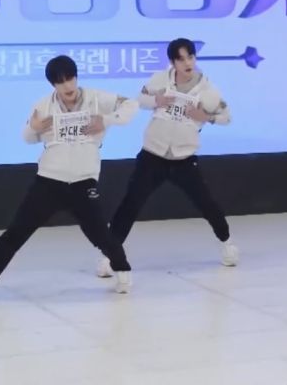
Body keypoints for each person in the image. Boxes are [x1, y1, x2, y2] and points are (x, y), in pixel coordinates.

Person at [0, 55, 136, 306]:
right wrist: (33, 127)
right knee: (15, 233)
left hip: (83, 181)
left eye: (70, 79)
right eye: (60, 82)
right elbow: (28, 137)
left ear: (76, 77)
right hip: (49, 181)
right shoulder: (43, 105)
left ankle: (122, 269)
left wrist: (106, 120)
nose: (67, 86)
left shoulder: (97, 99)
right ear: (53, 85)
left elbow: (130, 104)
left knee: (101, 235)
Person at [98, 38, 237, 279]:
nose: (187, 63)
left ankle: (227, 242)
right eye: (181, 59)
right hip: (153, 154)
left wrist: (205, 116)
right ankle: (112, 256)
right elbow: (140, 100)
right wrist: (157, 101)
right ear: (173, 62)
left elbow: (226, 117)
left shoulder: (208, 90)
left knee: (206, 202)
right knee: (130, 204)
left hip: (184, 158)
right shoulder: (160, 79)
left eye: (190, 57)